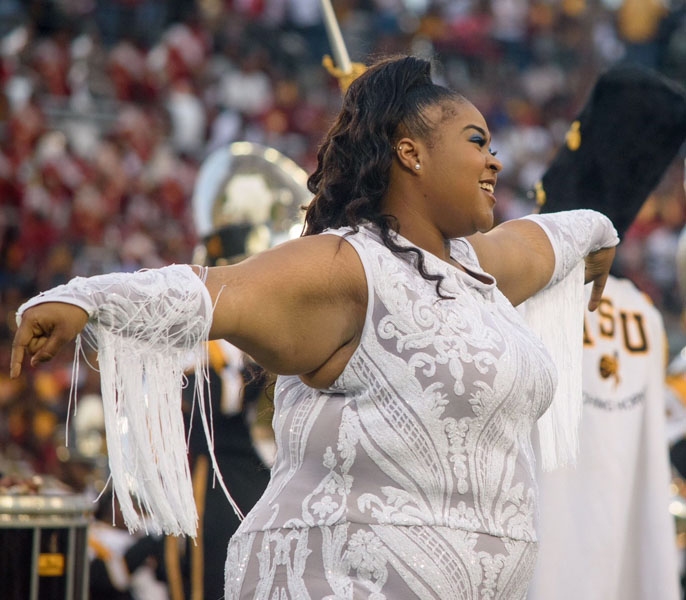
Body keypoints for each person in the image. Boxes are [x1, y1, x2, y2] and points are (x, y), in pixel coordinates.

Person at [10, 56, 619, 598]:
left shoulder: (474, 266)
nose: (495, 159)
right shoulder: (349, 265)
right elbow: (216, 290)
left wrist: (599, 232)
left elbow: (546, 238)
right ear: (411, 153)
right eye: (477, 141)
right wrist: (86, 299)